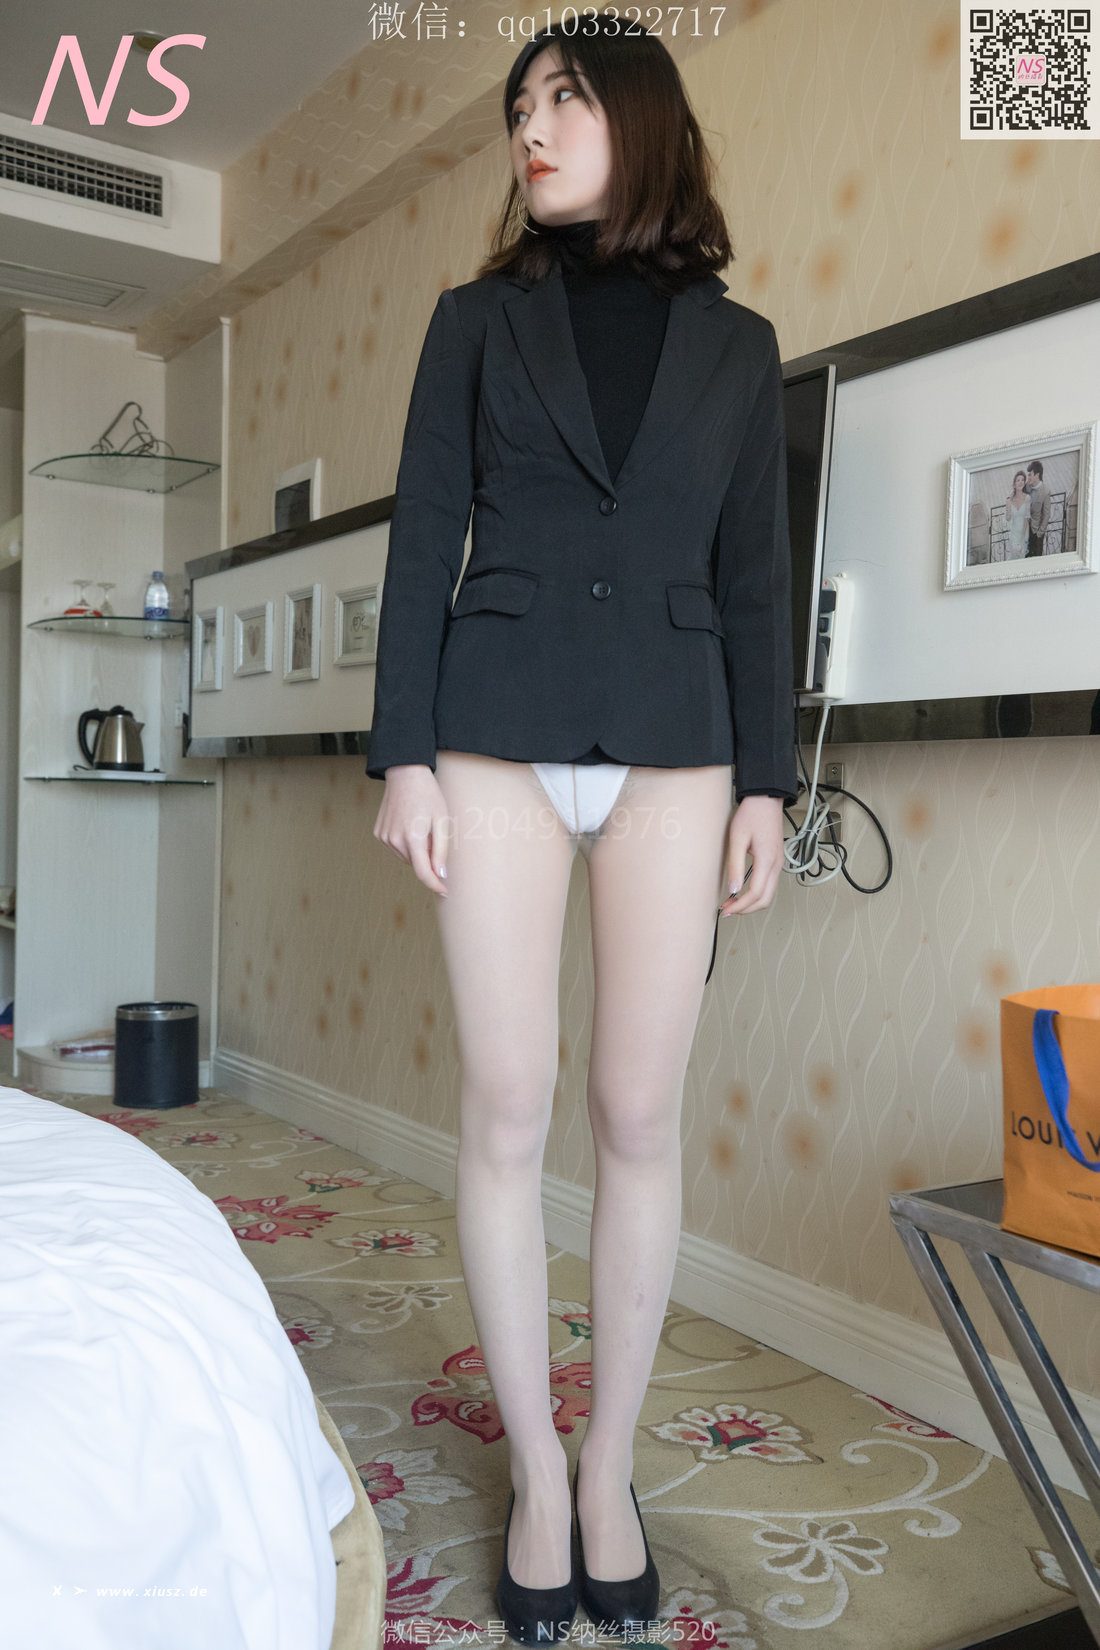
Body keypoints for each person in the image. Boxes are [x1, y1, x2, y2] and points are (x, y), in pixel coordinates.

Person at [369, 14, 798, 1642]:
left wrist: (768, 782)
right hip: (492, 728)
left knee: (633, 1109)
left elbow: (753, 573)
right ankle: (537, 1478)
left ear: (642, 119)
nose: (530, 128)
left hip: (681, 745)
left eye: (563, 99)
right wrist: (403, 755)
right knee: (506, 1104)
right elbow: (424, 534)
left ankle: (609, 1465)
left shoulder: (740, 349)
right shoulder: (476, 321)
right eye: (518, 106)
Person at [1025, 458, 1051, 556]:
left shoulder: (1045, 491)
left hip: (1036, 533)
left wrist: (1039, 534)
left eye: (1030, 475)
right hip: (1026, 531)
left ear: (1037, 475)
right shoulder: (1027, 486)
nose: (1028, 477)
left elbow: (1046, 515)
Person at [1005, 469, 1031, 558]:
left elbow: (1026, 519)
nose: (1021, 482)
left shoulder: (1027, 498)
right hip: (1013, 534)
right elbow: (1008, 518)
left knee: (1022, 557)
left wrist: (1022, 538)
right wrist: (1008, 505)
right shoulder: (1010, 500)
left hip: (1023, 534)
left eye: (1022, 480)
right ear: (1014, 484)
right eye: (1018, 480)